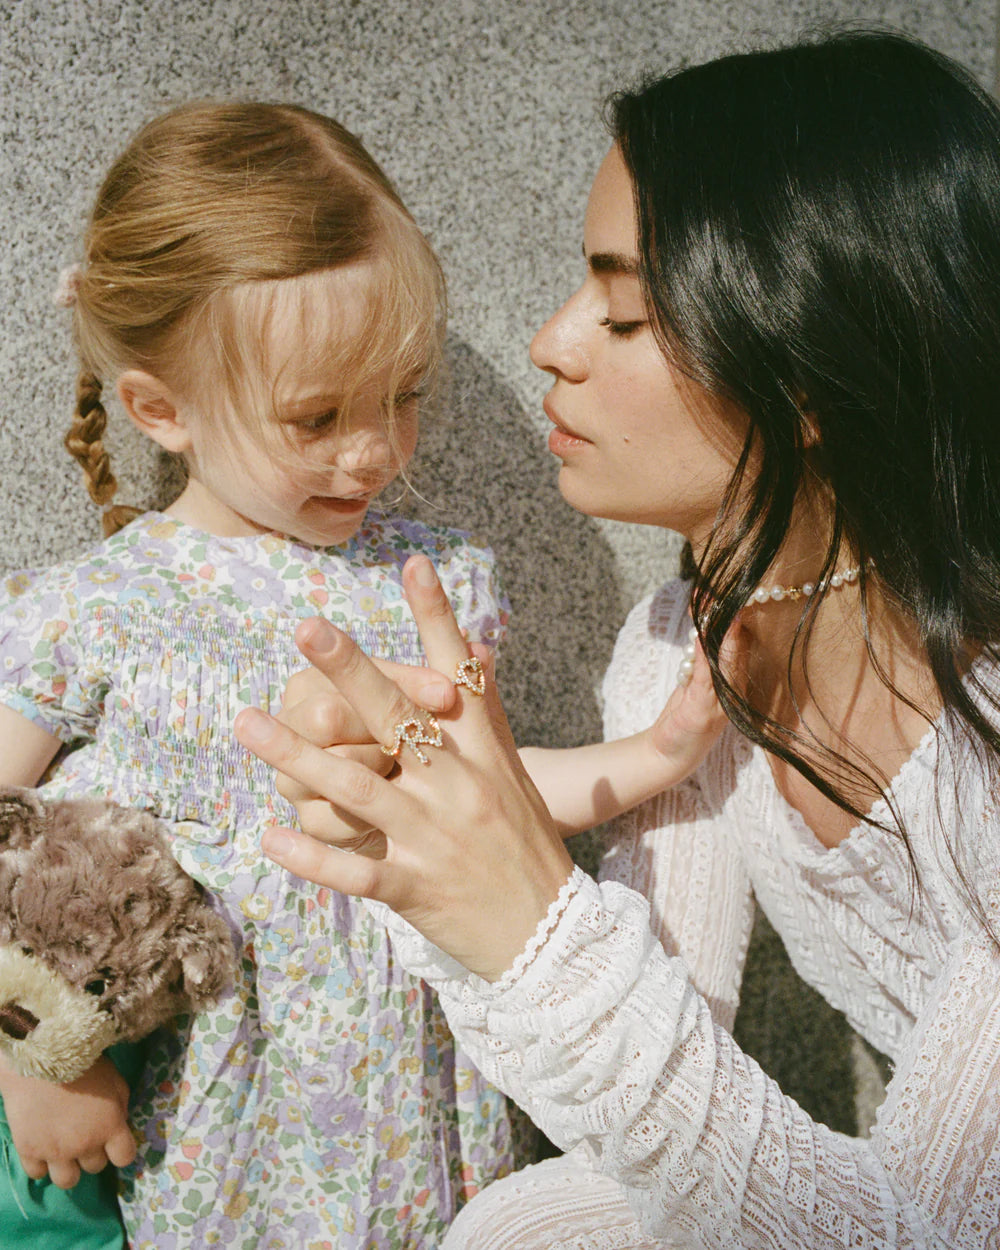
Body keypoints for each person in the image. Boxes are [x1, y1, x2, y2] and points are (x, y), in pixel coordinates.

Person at [236, 30, 1000, 1249]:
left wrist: (538, 928)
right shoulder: (676, 650)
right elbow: (646, 1087)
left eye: (625, 310)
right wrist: (438, 869)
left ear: (808, 370)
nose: (550, 340)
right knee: (535, 1222)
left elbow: (925, 1234)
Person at [0, 99, 732, 1249]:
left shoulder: (429, 581)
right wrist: (32, 1045)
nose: (375, 449)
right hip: (213, 1142)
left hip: (420, 1128)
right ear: (159, 408)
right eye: (317, 415)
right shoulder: (94, 610)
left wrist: (658, 754)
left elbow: (479, 787)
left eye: (402, 395)